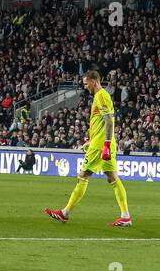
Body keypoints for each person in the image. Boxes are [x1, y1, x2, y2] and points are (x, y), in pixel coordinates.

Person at [44, 70, 131, 227]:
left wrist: (104, 145)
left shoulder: (102, 96)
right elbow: (101, 123)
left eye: (85, 83)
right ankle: (125, 216)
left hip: (101, 145)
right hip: (100, 143)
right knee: (112, 178)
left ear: (93, 81)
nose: (84, 87)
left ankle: (65, 213)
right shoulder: (99, 96)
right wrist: (91, 141)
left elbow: (110, 121)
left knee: (83, 175)